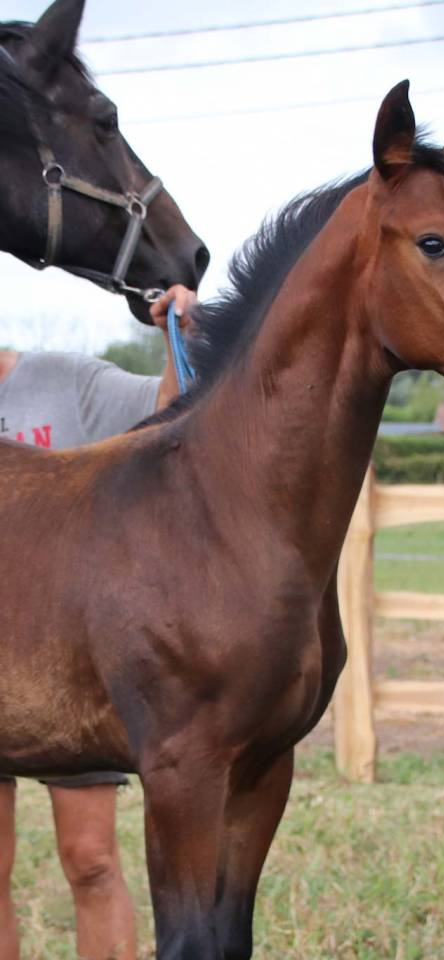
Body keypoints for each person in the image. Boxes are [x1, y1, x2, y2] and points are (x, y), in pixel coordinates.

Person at [0, 285, 197, 960]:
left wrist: (178, 334)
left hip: (68, 670)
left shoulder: (62, 381)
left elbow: (167, 408)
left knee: (90, 858)